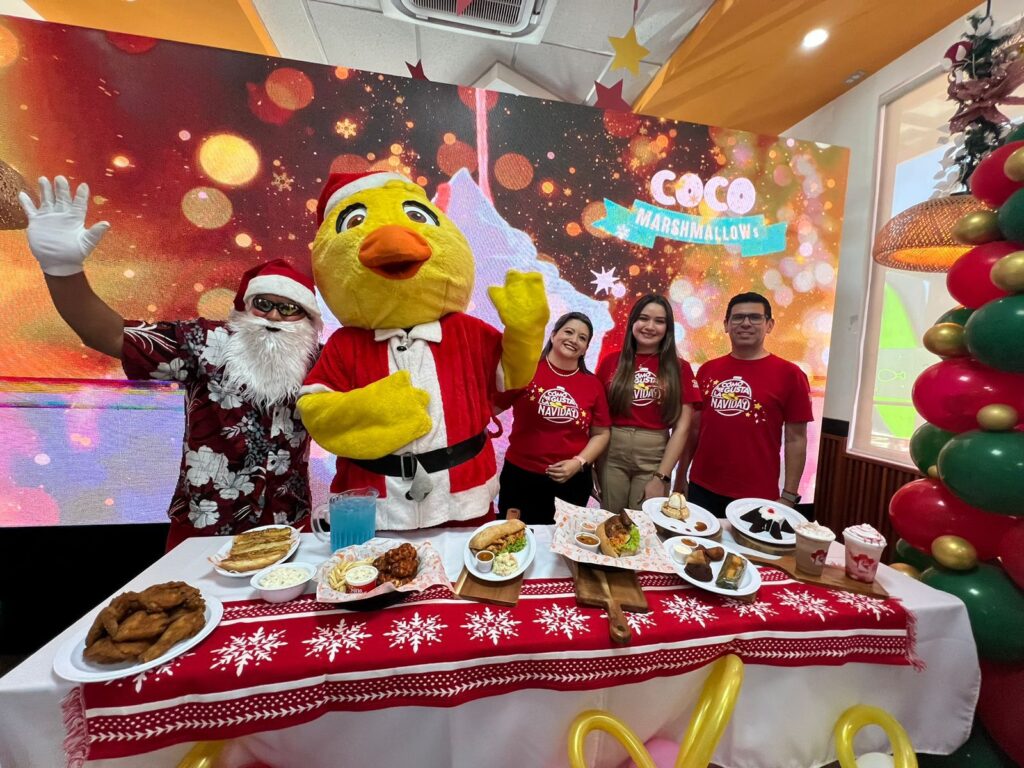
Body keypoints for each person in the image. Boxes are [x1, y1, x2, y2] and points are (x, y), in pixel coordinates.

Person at [19, 176, 322, 550]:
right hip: (204, 530)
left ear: (307, 321)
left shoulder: (320, 361)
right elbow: (110, 335)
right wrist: (62, 270)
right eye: (264, 304)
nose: (274, 316)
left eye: (289, 308)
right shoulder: (203, 342)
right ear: (244, 310)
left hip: (289, 527)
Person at [676, 291, 812, 516]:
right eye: (738, 317)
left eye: (755, 317)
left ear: (769, 325)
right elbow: (694, 430)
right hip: (702, 488)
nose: (746, 323)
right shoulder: (707, 371)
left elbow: (796, 439)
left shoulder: (791, 375)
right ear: (726, 325)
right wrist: (680, 478)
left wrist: (789, 495)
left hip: (758, 495)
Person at [493, 312, 611, 525]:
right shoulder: (526, 372)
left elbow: (602, 433)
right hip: (521, 478)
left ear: (586, 348)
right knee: (513, 543)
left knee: (561, 551)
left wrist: (579, 463)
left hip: (571, 483)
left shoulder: (593, 385)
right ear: (553, 335)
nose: (574, 340)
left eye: (582, 338)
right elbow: (492, 408)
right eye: (569, 332)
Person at [595, 294, 701, 514]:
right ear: (633, 321)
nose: (650, 326)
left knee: (642, 524)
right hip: (611, 452)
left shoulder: (680, 368)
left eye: (659, 321)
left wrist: (662, 476)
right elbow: (596, 418)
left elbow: (682, 428)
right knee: (610, 519)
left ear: (667, 328)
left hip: (654, 457)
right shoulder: (610, 361)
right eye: (643, 318)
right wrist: (590, 466)